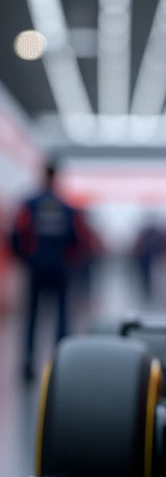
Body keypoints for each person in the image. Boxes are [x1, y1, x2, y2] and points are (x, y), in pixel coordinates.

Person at [11, 160, 80, 381]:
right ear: (56, 176)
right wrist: (67, 260)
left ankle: (28, 365)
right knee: (61, 315)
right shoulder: (66, 207)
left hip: (36, 267)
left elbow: (16, 235)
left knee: (32, 316)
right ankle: (62, 362)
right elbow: (75, 239)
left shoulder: (30, 204)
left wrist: (26, 259)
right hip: (59, 268)